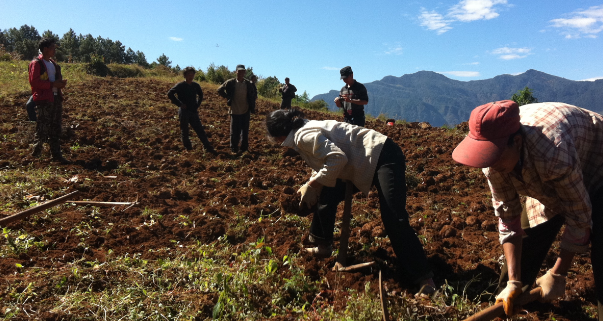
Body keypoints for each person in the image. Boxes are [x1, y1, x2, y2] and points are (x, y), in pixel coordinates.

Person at [452, 101, 603, 318]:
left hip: (597, 162)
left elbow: (578, 215)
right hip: (549, 169)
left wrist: (558, 274)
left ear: (517, 141)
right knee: (527, 240)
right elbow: (508, 216)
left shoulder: (553, 152)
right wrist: (514, 281)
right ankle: (512, 304)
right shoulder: (494, 163)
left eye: (496, 155)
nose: (491, 164)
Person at [265, 108, 436, 294]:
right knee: (327, 193)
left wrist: (312, 184)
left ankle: (424, 278)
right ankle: (323, 244)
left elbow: (337, 158)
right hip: (359, 161)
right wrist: (312, 184)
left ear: (279, 135)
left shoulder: (302, 137)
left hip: (382, 155)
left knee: (393, 217)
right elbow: (325, 160)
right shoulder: (303, 130)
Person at [28, 38, 68, 162]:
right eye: (52, 48)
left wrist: (60, 84)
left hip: (56, 98)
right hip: (44, 99)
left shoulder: (54, 64)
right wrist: (53, 85)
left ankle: (56, 155)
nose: (54, 50)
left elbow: (54, 80)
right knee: (42, 127)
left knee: (56, 127)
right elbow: (34, 82)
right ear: (45, 49)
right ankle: (36, 154)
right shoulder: (36, 63)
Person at [167, 67, 216, 154]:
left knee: (200, 129)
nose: (191, 76)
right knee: (185, 130)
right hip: (184, 111)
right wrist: (179, 104)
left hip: (193, 111)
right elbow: (170, 93)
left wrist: (197, 105)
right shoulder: (180, 85)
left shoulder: (196, 86)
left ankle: (207, 146)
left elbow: (201, 95)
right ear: (185, 75)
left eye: (192, 74)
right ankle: (188, 148)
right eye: (189, 74)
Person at [217, 64, 256, 154]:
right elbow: (219, 89)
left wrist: (252, 106)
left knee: (245, 131)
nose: (241, 73)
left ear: (245, 72)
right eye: (239, 71)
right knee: (234, 131)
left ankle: (244, 148)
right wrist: (228, 97)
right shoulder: (231, 82)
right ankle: (234, 148)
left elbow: (252, 94)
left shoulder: (248, 84)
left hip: (245, 110)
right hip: (234, 110)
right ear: (236, 72)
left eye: (243, 71)